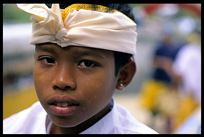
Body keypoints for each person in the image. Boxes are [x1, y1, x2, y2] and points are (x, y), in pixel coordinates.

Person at [3, 3, 158, 134]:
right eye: (48, 60)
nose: (61, 81)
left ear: (123, 75)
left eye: (87, 63)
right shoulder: (12, 128)